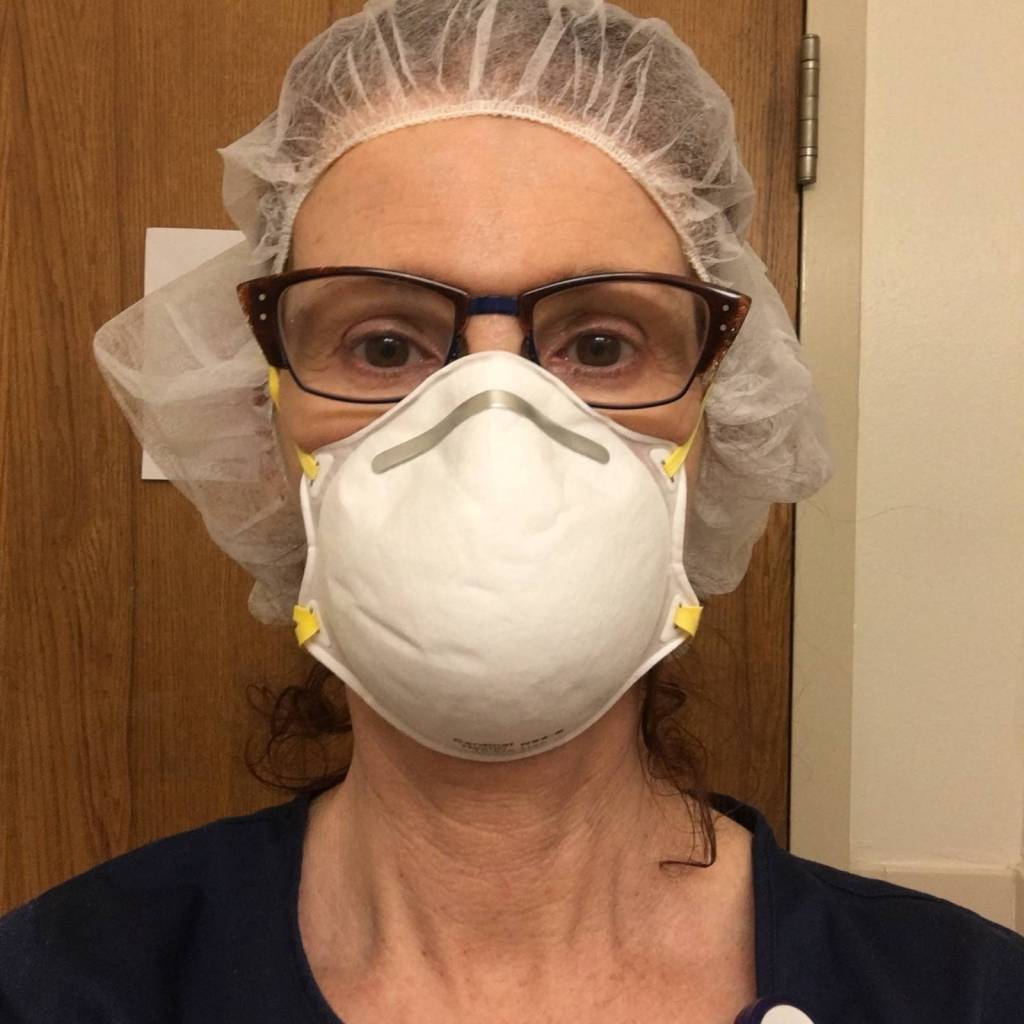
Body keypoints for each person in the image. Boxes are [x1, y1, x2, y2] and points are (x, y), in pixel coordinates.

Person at [1, 2, 1021, 1022]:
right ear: (261, 419)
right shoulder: (64, 984)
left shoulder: (961, 994)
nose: (494, 424)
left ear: (717, 420)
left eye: (603, 345)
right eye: (385, 346)